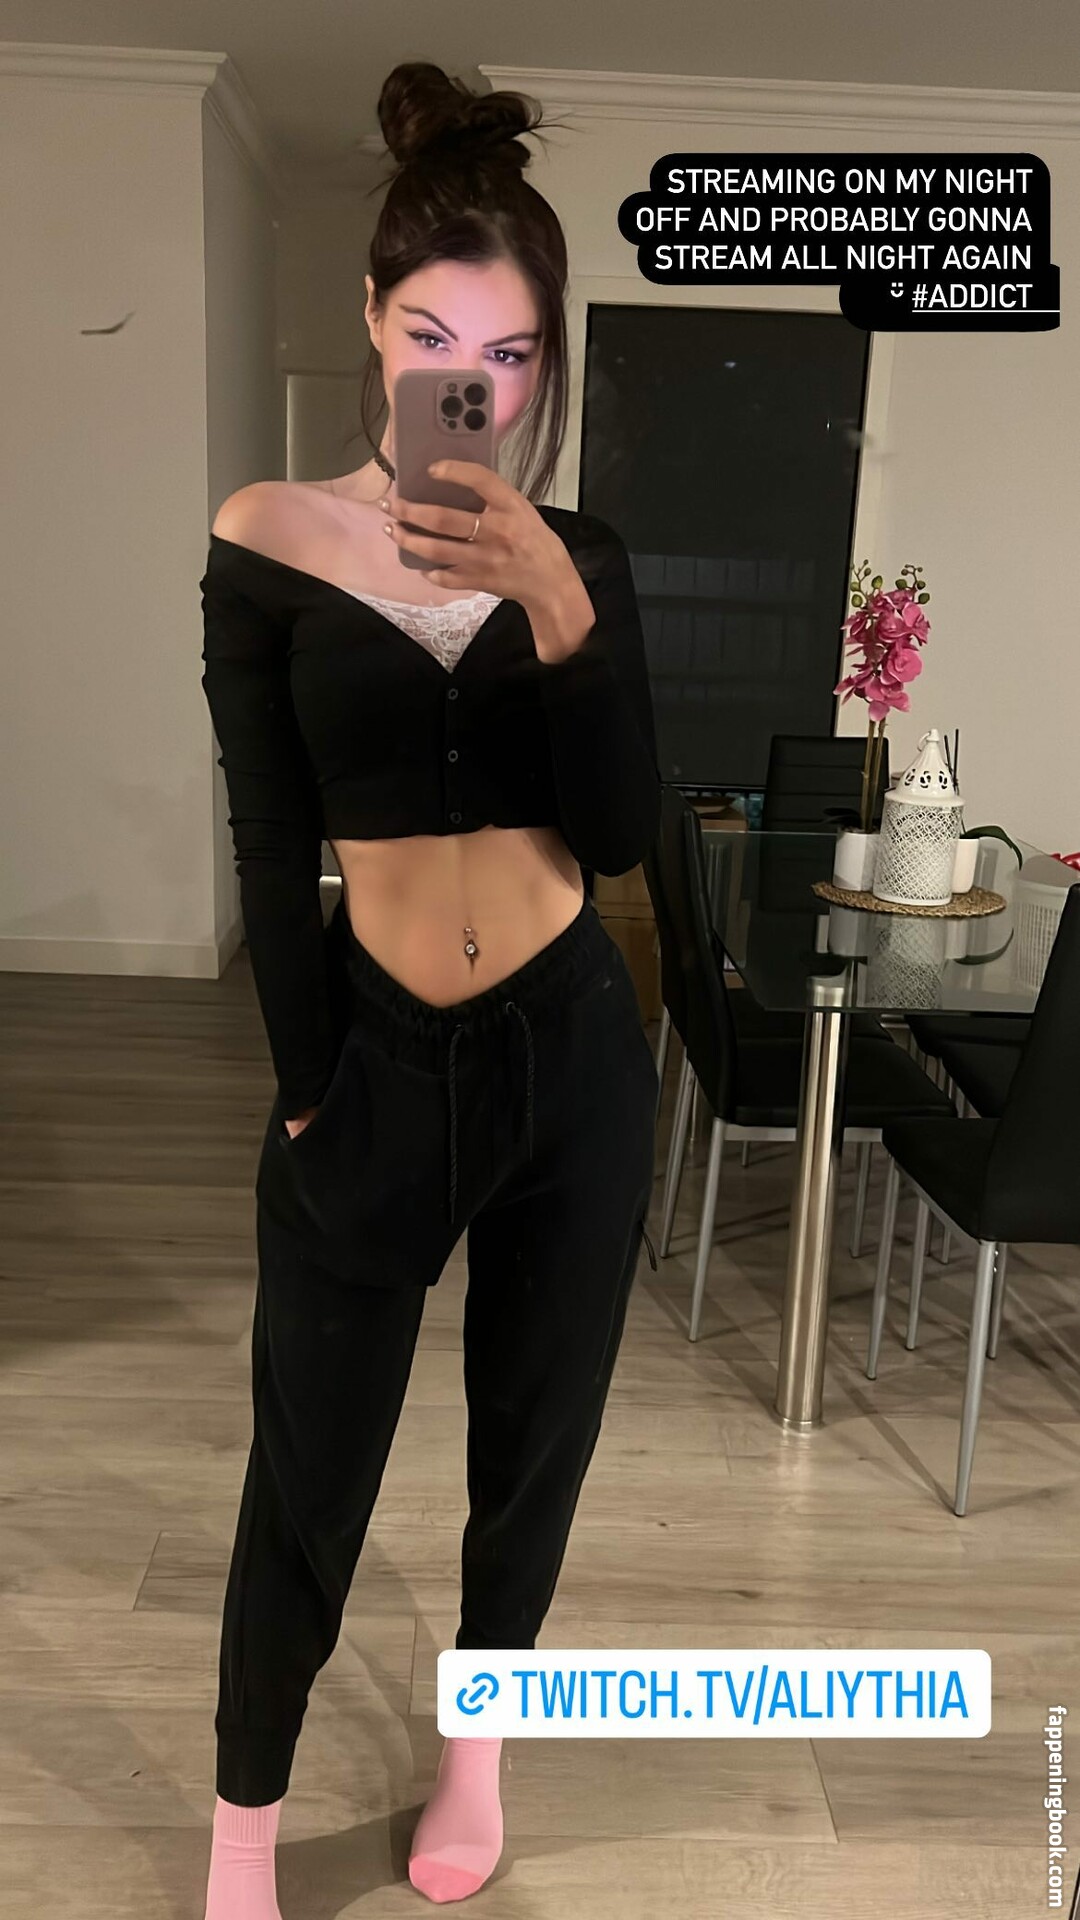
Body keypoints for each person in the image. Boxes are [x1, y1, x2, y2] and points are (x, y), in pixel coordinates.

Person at [198, 60, 662, 1917]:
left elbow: (616, 840)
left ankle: (480, 1747)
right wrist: (309, 1082)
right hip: (375, 1064)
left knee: (532, 1448)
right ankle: (242, 1828)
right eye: (433, 339)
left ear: (547, 367)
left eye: (513, 353)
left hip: (570, 1059)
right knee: (307, 1468)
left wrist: (562, 608)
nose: (472, 383)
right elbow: (265, 835)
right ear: (374, 325)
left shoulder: (585, 559)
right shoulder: (267, 537)